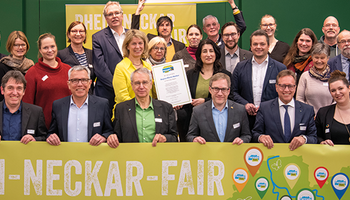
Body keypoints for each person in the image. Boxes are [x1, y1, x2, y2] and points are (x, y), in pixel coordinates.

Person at [107, 68, 177, 148]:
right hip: (131, 158)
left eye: (145, 82)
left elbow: (174, 137)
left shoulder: (166, 108)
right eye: (137, 83)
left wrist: (165, 138)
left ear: (150, 84)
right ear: (132, 85)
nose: (141, 86)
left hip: (158, 157)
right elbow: (117, 137)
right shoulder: (121, 109)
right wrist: (111, 138)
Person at [177, 39, 231, 142]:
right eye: (204, 51)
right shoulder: (190, 74)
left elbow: (230, 98)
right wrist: (179, 103)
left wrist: (205, 101)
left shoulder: (225, 75)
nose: (208, 54)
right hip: (192, 121)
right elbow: (185, 96)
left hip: (217, 121)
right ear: (199, 55)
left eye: (211, 51)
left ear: (216, 53)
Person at [232, 30, 286, 129]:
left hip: (271, 120)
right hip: (245, 119)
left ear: (268, 46)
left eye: (262, 44)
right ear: (251, 47)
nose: (258, 47)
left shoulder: (280, 68)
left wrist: (266, 107)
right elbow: (233, 92)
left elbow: (285, 94)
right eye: (255, 44)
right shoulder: (240, 67)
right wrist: (245, 105)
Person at [46, 66, 113, 146]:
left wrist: (104, 137)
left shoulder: (102, 104)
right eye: (75, 80)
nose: (80, 84)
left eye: (84, 80)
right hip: (66, 157)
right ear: (69, 84)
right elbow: (51, 133)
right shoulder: (58, 106)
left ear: (89, 83)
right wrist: (51, 137)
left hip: (92, 156)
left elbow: (109, 131)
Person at [252, 70, 317, 150]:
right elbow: (255, 133)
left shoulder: (307, 110)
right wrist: (260, 137)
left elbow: (314, 137)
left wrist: (304, 139)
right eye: (282, 86)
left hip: (298, 158)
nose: (286, 90)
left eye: (290, 86)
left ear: (295, 88)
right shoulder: (265, 108)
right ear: (276, 87)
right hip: (273, 157)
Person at [93, 1, 137, 110]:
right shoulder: (98, 38)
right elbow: (100, 68)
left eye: (117, 13)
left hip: (132, 90)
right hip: (108, 92)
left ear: (122, 15)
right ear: (106, 18)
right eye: (110, 14)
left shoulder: (131, 35)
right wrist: (118, 87)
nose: (114, 16)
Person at [23, 33, 71, 129]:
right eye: (45, 48)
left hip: (68, 125)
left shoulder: (68, 70)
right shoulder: (32, 72)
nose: (50, 50)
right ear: (40, 50)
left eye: (52, 46)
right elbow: (27, 104)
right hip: (43, 128)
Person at [187, 73, 251, 143]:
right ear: (210, 89)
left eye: (223, 89)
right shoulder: (198, 111)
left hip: (232, 153)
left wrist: (242, 140)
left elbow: (246, 135)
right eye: (216, 89)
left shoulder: (240, 110)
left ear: (228, 91)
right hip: (208, 153)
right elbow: (190, 135)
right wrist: (194, 139)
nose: (220, 93)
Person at [112, 29, 156, 112]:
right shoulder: (120, 67)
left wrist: (157, 82)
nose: (137, 47)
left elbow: (154, 94)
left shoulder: (149, 67)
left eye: (140, 43)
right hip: (127, 113)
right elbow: (122, 97)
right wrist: (141, 109)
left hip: (148, 112)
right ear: (127, 46)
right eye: (133, 43)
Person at [0, 71, 47, 143]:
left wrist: (35, 139)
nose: (15, 92)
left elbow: (44, 137)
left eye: (19, 88)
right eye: (10, 88)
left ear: (24, 91)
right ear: (2, 90)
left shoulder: (36, 112)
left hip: (26, 154)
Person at [57, 21, 95, 93]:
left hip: (90, 97)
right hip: (70, 96)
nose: (78, 34)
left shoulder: (92, 54)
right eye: (74, 31)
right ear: (68, 34)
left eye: (81, 31)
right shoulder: (61, 55)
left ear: (85, 34)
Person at [296, 43, 333, 113]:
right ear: (312, 57)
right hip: (309, 118)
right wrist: (310, 113)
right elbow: (299, 99)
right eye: (316, 57)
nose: (319, 61)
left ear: (328, 58)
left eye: (322, 58)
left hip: (328, 117)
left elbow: (336, 100)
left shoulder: (333, 77)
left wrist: (326, 115)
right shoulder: (305, 76)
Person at [316, 70, 350, 145]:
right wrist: (322, 142)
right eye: (333, 90)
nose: (337, 93)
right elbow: (316, 136)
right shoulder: (323, 113)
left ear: (349, 88)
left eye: (340, 88)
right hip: (333, 156)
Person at [0, 31, 34, 101]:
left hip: (27, 106)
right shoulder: (2, 66)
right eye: (16, 45)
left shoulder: (31, 66)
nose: (20, 47)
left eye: (23, 45)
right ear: (10, 46)